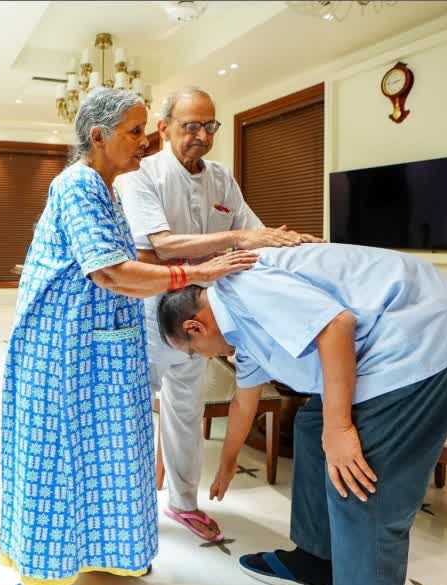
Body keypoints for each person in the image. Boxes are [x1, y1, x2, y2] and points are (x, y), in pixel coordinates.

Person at [160, 242, 447, 585]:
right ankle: (318, 561)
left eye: (192, 352)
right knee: (308, 426)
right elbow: (244, 403)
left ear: (195, 327)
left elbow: (336, 327)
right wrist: (226, 464)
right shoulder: (240, 330)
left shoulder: (244, 289)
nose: (200, 359)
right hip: (395, 343)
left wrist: (339, 430)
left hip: (422, 341)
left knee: (361, 485)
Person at [0, 87, 258, 585]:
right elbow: (111, 272)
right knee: (59, 459)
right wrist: (195, 273)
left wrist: (201, 268)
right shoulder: (75, 185)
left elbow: (137, 258)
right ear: (98, 136)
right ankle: (40, 582)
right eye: (135, 131)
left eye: (146, 129)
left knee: (109, 452)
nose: (147, 140)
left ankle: (93, 550)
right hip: (62, 349)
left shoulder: (109, 190)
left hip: (105, 346)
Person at [116, 85, 320, 543]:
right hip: (146, 317)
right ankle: (126, 508)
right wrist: (241, 240)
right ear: (164, 128)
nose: (203, 136)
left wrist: (294, 244)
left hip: (202, 320)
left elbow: (253, 232)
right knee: (128, 414)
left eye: (210, 126)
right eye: (191, 126)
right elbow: (160, 245)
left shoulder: (222, 178)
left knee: (185, 411)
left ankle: (183, 504)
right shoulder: (141, 174)